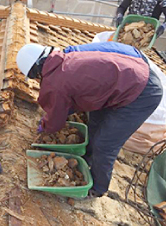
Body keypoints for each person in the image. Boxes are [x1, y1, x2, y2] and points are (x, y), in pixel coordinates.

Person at [16, 42, 162, 197]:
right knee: (95, 121)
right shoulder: (63, 59)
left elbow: (56, 120)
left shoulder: (55, 82)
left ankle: (98, 188)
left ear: (35, 72)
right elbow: (75, 96)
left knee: (105, 143)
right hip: (132, 77)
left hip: (141, 92)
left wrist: (46, 126)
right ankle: (88, 157)